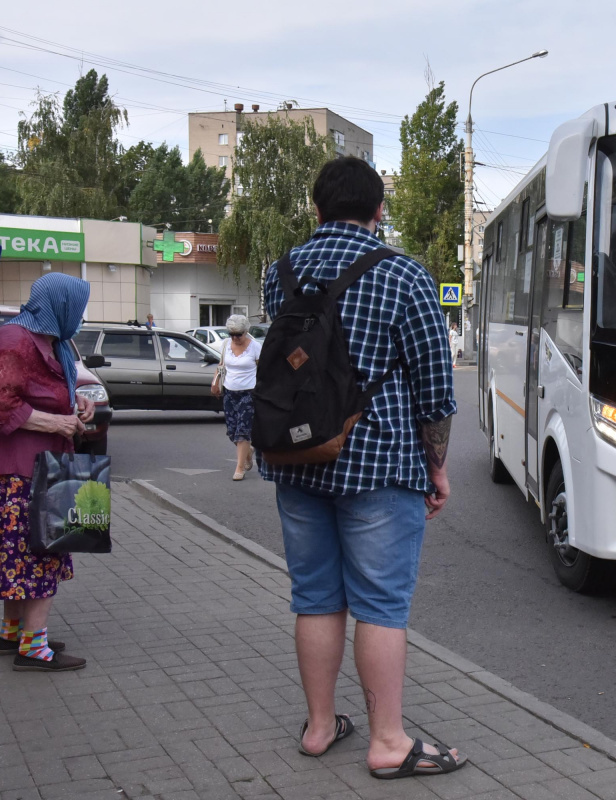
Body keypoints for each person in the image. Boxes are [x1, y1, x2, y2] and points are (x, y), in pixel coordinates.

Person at [260, 156, 464, 779]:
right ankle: (388, 742)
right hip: (380, 466)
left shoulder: (282, 272)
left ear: (316, 209)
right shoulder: (403, 275)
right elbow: (434, 387)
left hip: (298, 459)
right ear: (380, 211)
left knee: (315, 599)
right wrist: (437, 464)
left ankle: (321, 728)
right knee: (380, 606)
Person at [0, 273, 93, 672]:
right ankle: (34, 648)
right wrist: (56, 423)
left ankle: (12, 633)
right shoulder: (15, 340)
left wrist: (76, 402)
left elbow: (40, 390)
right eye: (78, 306)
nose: (80, 315)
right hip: (20, 472)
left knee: (21, 555)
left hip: (37, 468)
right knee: (38, 556)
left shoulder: (49, 341)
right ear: (60, 305)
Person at [219, 314, 261, 481]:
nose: (235, 338)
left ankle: (240, 467)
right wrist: (214, 382)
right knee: (232, 431)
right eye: (232, 334)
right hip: (229, 392)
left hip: (249, 392)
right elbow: (221, 365)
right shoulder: (225, 345)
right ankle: (248, 453)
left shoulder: (255, 346)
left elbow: (263, 370)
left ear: (246, 332)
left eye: (239, 334)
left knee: (243, 431)